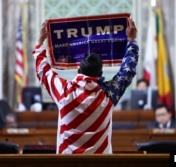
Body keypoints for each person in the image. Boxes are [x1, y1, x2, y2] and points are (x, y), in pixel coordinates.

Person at [32, 17, 139, 154]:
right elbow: (128, 70)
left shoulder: (64, 92)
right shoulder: (108, 95)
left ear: (78, 71)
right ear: (100, 74)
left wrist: (40, 41)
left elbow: (42, 70)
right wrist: (132, 40)